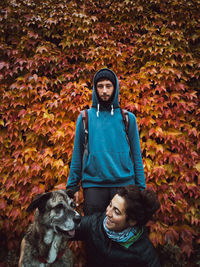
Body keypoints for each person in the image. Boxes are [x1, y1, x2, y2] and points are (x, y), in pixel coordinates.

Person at [66, 68, 146, 215]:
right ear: (95, 89)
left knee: (122, 234)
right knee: (95, 234)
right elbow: (77, 153)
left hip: (124, 187)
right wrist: (72, 187)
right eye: (100, 86)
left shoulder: (128, 118)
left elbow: (136, 156)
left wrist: (141, 188)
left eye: (108, 86)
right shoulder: (85, 117)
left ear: (115, 88)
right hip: (93, 187)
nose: (104, 90)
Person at [74, 185, 161, 267]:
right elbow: (69, 227)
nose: (108, 213)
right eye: (110, 205)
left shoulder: (143, 252)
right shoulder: (95, 223)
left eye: (116, 212)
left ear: (132, 221)